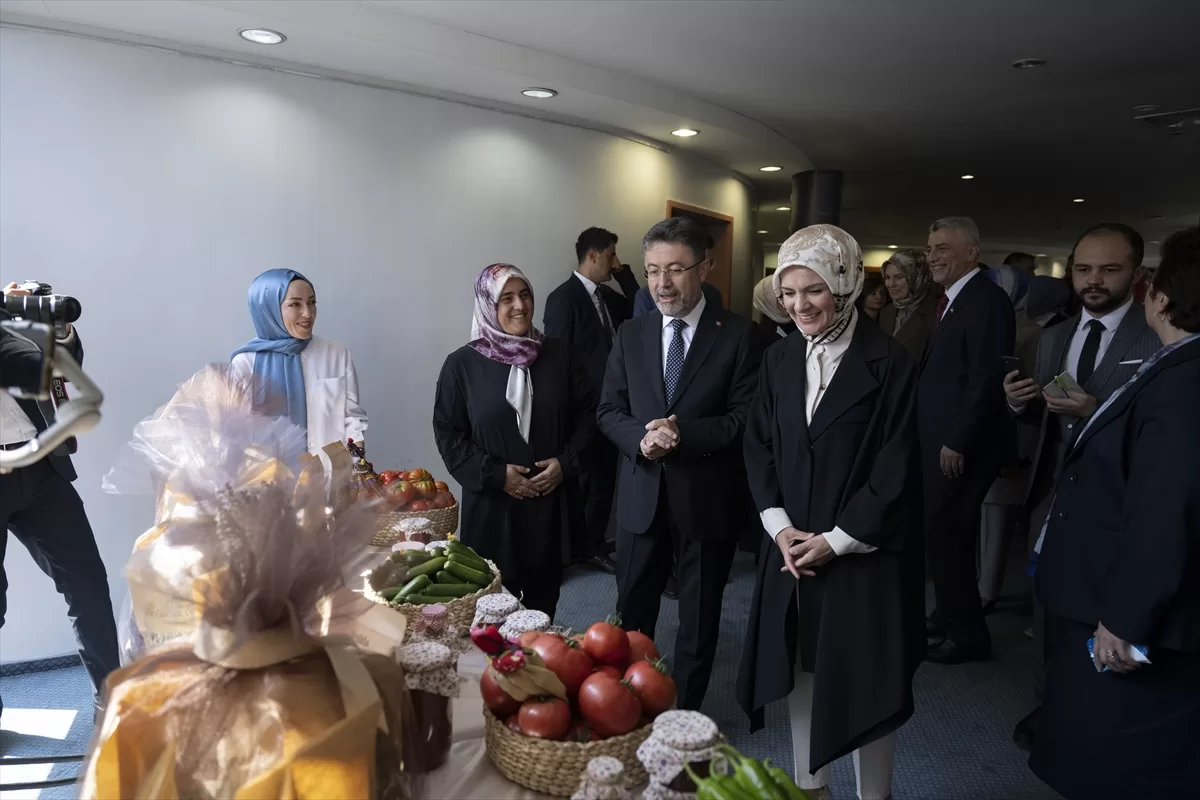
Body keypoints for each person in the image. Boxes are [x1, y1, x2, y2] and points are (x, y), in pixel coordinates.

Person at [736, 225, 923, 800]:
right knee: (798, 672)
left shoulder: (890, 362)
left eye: (812, 290)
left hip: (862, 556)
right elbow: (758, 444)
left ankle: (875, 795)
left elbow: (896, 466)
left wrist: (837, 539)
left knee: (867, 686)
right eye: (788, 293)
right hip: (790, 550)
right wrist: (779, 528)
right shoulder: (779, 358)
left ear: (843, 285)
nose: (798, 306)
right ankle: (809, 787)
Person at [1029, 226, 1200, 798]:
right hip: (1093, 583)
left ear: (1157, 293)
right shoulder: (1176, 366)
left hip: (1128, 610)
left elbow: (1164, 512)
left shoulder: (1182, 382)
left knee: (1122, 753)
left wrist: (1125, 620)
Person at [1002, 223, 1160, 749]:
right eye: (1084, 269)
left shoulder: (1157, 334)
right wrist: (1019, 402)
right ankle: (1051, 708)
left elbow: (1163, 431)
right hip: (1052, 497)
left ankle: (1098, 724)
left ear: (1137, 275)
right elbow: (1041, 428)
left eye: (1109, 270)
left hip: (1118, 504)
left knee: (1106, 617)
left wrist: (1096, 410)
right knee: (1047, 615)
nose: (1093, 281)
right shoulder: (1052, 337)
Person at [597, 217, 759, 710]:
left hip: (707, 501)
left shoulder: (739, 336)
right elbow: (609, 411)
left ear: (704, 267)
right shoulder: (631, 333)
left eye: (675, 269)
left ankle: (684, 713)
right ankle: (628, 706)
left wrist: (680, 434)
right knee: (631, 616)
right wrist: (641, 441)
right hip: (642, 495)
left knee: (699, 616)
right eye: (651, 271)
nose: (662, 284)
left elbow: (745, 419)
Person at [434, 264, 595, 616]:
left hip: (550, 505)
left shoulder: (560, 356)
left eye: (525, 295)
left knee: (541, 612)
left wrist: (566, 464)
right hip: (493, 509)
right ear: (487, 304)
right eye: (506, 298)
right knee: (488, 611)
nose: (519, 305)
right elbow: (449, 433)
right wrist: (495, 475)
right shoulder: (461, 365)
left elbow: (590, 415)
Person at [1, 287, 120, 718]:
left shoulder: (9, 312)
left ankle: (111, 705)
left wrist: (60, 328)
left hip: (38, 469)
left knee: (87, 584)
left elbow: (60, 367)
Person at [920, 216, 1016, 664]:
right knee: (942, 536)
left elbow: (984, 377)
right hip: (943, 442)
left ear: (972, 253)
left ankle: (968, 637)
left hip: (961, 447)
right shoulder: (955, 300)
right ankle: (949, 614)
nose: (932, 256)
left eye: (942, 248)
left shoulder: (986, 300)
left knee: (950, 537)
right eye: (930, 248)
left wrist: (957, 440)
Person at [543, 227, 640, 574]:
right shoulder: (563, 298)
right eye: (612, 254)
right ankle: (578, 549)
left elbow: (640, 311)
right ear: (594, 254)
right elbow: (555, 357)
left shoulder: (610, 297)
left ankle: (593, 545)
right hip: (581, 409)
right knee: (584, 480)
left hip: (613, 406)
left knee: (605, 481)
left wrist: (624, 274)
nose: (615, 261)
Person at [230, 269, 367, 455]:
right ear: (268, 308)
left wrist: (358, 469)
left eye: (312, 303)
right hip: (268, 480)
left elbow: (352, 418)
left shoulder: (336, 353)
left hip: (332, 478)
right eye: (295, 304)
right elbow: (236, 434)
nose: (308, 313)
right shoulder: (245, 363)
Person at [633, 231, 723, 317]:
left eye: (675, 270)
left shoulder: (713, 293)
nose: (663, 283)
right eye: (654, 271)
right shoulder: (644, 296)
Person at [878, 249, 940, 362]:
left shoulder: (937, 311)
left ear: (917, 278)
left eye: (899, 277)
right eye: (887, 277)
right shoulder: (887, 311)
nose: (891, 284)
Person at [750, 274, 796, 351]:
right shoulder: (761, 335)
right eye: (779, 297)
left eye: (789, 294)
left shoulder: (801, 320)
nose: (786, 301)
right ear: (767, 302)